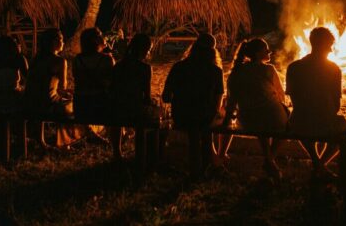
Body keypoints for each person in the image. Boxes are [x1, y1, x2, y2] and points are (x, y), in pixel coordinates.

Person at [286, 27, 346, 179]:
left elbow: (293, 99)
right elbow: (336, 106)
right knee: (345, 128)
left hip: (299, 121)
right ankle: (320, 165)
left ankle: (316, 163)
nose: (331, 49)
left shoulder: (293, 67)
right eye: (331, 45)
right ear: (327, 45)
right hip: (324, 121)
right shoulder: (334, 69)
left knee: (300, 124)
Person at [161, 33, 224, 180]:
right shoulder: (216, 71)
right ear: (213, 51)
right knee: (208, 125)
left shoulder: (178, 67)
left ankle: (198, 169)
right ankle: (204, 169)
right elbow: (218, 100)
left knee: (196, 130)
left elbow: (166, 97)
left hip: (181, 115)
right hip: (204, 117)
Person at [223, 38, 288, 179]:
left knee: (261, 120)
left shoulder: (236, 72)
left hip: (248, 119)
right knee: (285, 124)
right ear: (259, 53)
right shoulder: (268, 69)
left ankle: (268, 159)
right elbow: (281, 95)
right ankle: (269, 158)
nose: (269, 52)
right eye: (266, 49)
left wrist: (226, 122)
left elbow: (231, 102)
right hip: (272, 117)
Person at [24, 29, 77, 147]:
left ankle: (40, 138)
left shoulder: (36, 59)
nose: (63, 42)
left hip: (29, 102)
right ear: (54, 42)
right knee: (70, 105)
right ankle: (65, 142)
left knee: (43, 97)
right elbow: (63, 88)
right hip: (47, 105)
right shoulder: (60, 61)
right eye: (61, 39)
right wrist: (71, 92)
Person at [110, 32, 154, 159]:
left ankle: (117, 152)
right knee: (144, 119)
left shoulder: (119, 65)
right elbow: (147, 96)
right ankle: (140, 153)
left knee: (117, 119)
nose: (148, 52)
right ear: (144, 49)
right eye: (149, 49)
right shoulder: (145, 68)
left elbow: (113, 87)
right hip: (134, 108)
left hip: (117, 106)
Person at [0, 35, 28, 115]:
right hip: (12, 102)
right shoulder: (19, 58)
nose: (19, 45)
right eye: (17, 43)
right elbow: (29, 78)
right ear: (14, 46)